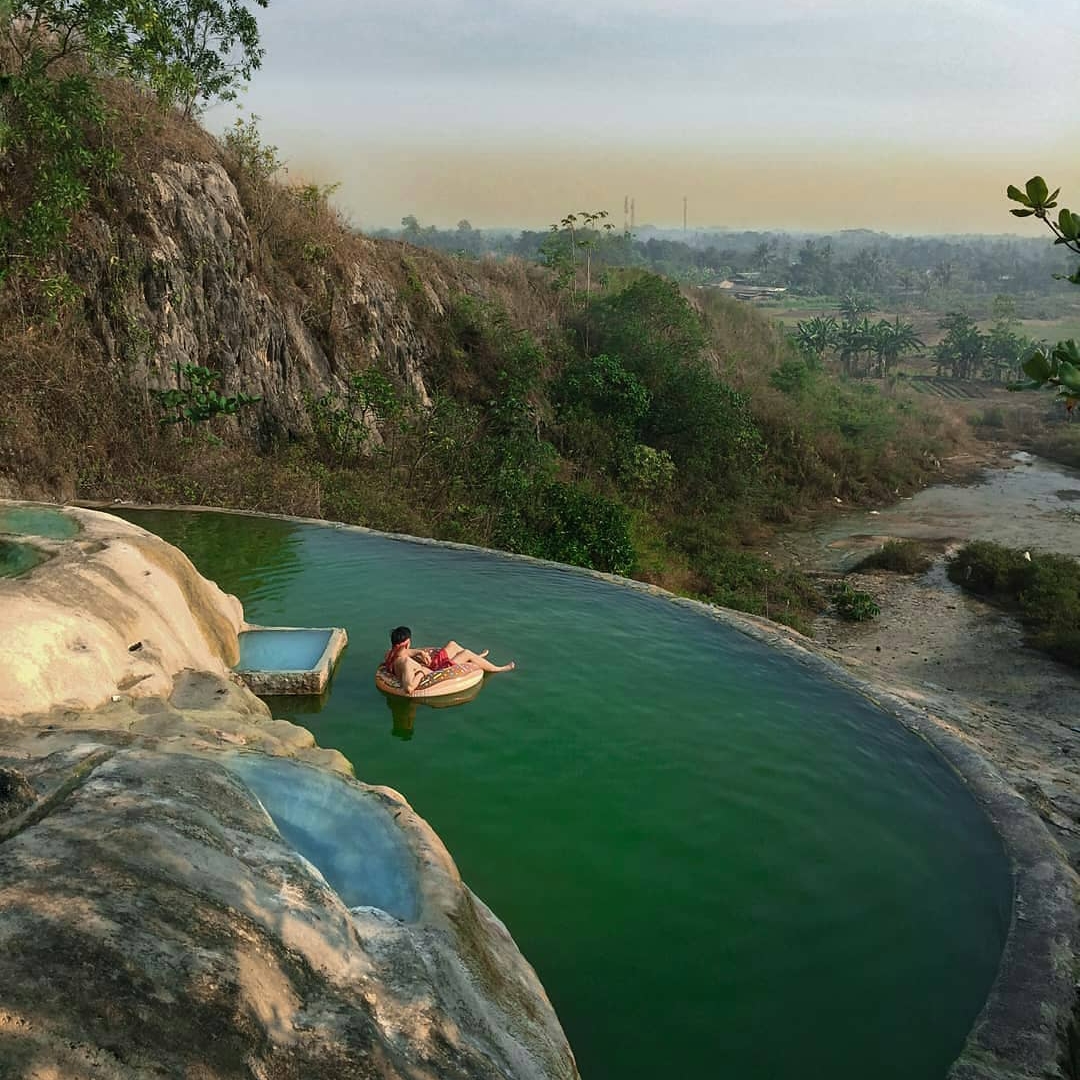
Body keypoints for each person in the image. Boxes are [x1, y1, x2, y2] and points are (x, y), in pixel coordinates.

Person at [382, 625, 514, 696]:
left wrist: (420, 653)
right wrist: (420, 672)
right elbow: (409, 688)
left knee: (452, 644)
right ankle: (497, 668)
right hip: (435, 673)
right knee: (466, 653)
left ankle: (476, 657)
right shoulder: (405, 663)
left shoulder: (390, 653)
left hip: (430, 667)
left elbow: (407, 652)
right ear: (407, 643)